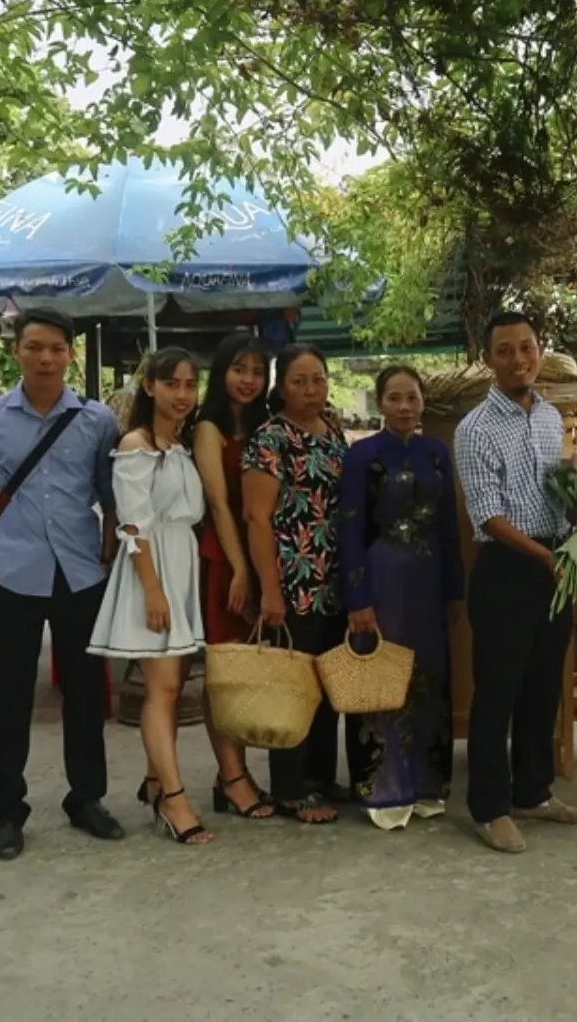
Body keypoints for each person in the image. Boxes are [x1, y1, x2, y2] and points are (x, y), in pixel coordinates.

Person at [0, 306, 127, 861]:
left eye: (56, 348)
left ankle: (87, 799)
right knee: (8, 699)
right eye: (35, 347)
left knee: (86, 693)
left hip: (80, 573)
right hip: (12, 573)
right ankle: (7, 811)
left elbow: (110, 492)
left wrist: (105, 552)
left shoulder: (97, 419)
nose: (46, 358)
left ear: (70, 353)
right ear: (17, 351)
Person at [454, 312, 577, 853]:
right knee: (498, 692)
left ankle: (532, 791)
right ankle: (490, 808)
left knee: (542, 687)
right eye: (506, 350)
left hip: (553, 565)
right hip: (508, 568)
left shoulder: (550, 418)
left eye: (527, 347)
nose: (519, 359)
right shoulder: (474, 429)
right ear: (489, 360)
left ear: (540, 351)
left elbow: (554, 491)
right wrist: (543, 555)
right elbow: (487, 516)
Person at [87, 347, 213, 845]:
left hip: (179, 564)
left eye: (189, 384)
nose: (182, 394)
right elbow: (132, 524)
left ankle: (156, 780)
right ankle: (174, 797)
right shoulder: (136, 445)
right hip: (151, 571)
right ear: (149, 387)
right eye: (172, 384)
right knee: (161, 690)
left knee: (172, 686)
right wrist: (154, 589)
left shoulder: (178, 445)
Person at [338, 365, 463, 830]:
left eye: (412, 397)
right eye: (395, 398)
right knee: (383, 678)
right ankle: (383, 787)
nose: (405, 407)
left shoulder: (436, 455)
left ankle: (428, 785)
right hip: (382, 577)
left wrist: (455, 590)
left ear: (423, 402)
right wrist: (357, 597)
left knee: (428, 677)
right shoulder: (362, 456)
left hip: (429, 580)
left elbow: (449, 526)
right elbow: (350, 530)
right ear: (380, 404)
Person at [242, 343, 357, 823]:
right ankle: (288, 788)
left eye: (318, 379)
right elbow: (256, 517)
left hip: (333, 578)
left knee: (326, 684)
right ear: (281, 387)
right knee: (292, 686)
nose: (311, 389)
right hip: (293, 579)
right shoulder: (269, 439)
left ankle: (318, 776)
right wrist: (269, 589)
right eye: (299, 381)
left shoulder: (330, 428)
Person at [191, 332, 277, 820]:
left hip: (262, 556)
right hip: (226, 559)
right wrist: (241, 570)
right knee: (224, 674)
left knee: (254, 672)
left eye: (257, 371)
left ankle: (240, 773)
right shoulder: (209, 428)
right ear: (221, 373)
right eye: (239, 369)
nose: (248, 380)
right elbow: (219, 505)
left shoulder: (265, 426)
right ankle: (232, 777)